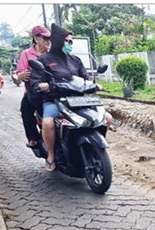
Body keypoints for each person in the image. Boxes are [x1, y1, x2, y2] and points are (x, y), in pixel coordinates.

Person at [30, 23, 111, 172]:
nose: (69, 44)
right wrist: (42, 85)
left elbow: (85, 78)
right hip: (55, 100)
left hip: (78, 100)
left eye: (71, 41)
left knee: (107, 118)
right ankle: (52, 155)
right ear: (58, 41)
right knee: (48, 123)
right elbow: (35, 81)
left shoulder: (75, 60)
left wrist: (94, 85)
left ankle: (94, 147)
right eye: (66, 41)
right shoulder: (44, 60)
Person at [16, 25, 51, 148]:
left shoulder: (52, 53)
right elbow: (20, 73)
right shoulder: (26, 54)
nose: (48, 41)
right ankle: (33, 138)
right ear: (36, 39)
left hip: (52, 89)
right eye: (45, 38)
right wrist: (20, 75)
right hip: (33, 92)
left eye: (49, 38)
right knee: (25, 111)